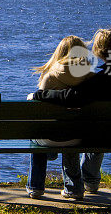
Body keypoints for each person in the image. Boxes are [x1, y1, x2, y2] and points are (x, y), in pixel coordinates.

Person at [30, 27, 111, 200]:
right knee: (97, 129)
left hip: (101, 135)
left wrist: (41, 94)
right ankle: (93, 181)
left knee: (91, 131)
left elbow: (72, 97)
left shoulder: (101, 80)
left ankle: (83, 181)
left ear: (100, 51)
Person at [26, 36, 95, 199]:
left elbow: (38, 111)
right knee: (71, 134)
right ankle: (74, 188)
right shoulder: (90, 77)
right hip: (76, 138)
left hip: (49, 138)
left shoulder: (49, 76)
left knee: (37, 138)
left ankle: (35, 186)